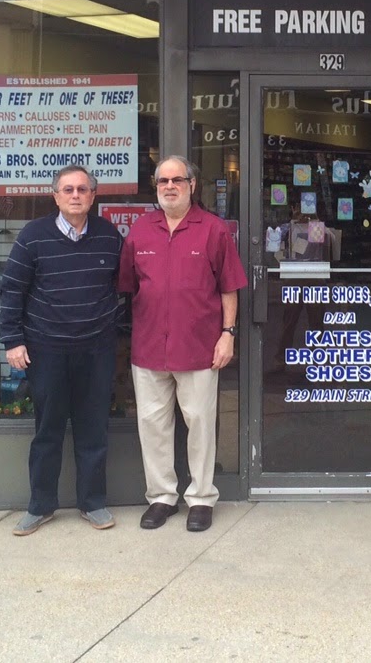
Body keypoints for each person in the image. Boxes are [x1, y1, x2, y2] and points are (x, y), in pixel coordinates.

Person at [118, 155, 247, 532]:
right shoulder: (140, 231)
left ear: (193, 185)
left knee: (201, 425)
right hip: (149, 348)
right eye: (163, 182)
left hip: (199, 348)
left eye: (177, 180)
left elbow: (229, 287)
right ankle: (161, 497)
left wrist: (228, 334)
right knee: (153, 426)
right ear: (155, 187)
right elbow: (128, 287)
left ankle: (202, 498)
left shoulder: (213, 230)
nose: (170, 187)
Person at [0, 165, 122, 536]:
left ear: (93, 196)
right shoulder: (34, 237)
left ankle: (93, 503)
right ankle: (40, 506)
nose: (75, 195)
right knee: (48, 429)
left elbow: (125, 288)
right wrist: (12, 340)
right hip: (46, 349)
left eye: (82, 189)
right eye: (67, 189)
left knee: (93, 429)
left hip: (96, 350)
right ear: (55, 196)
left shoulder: (109, 236)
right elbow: (12, 290)